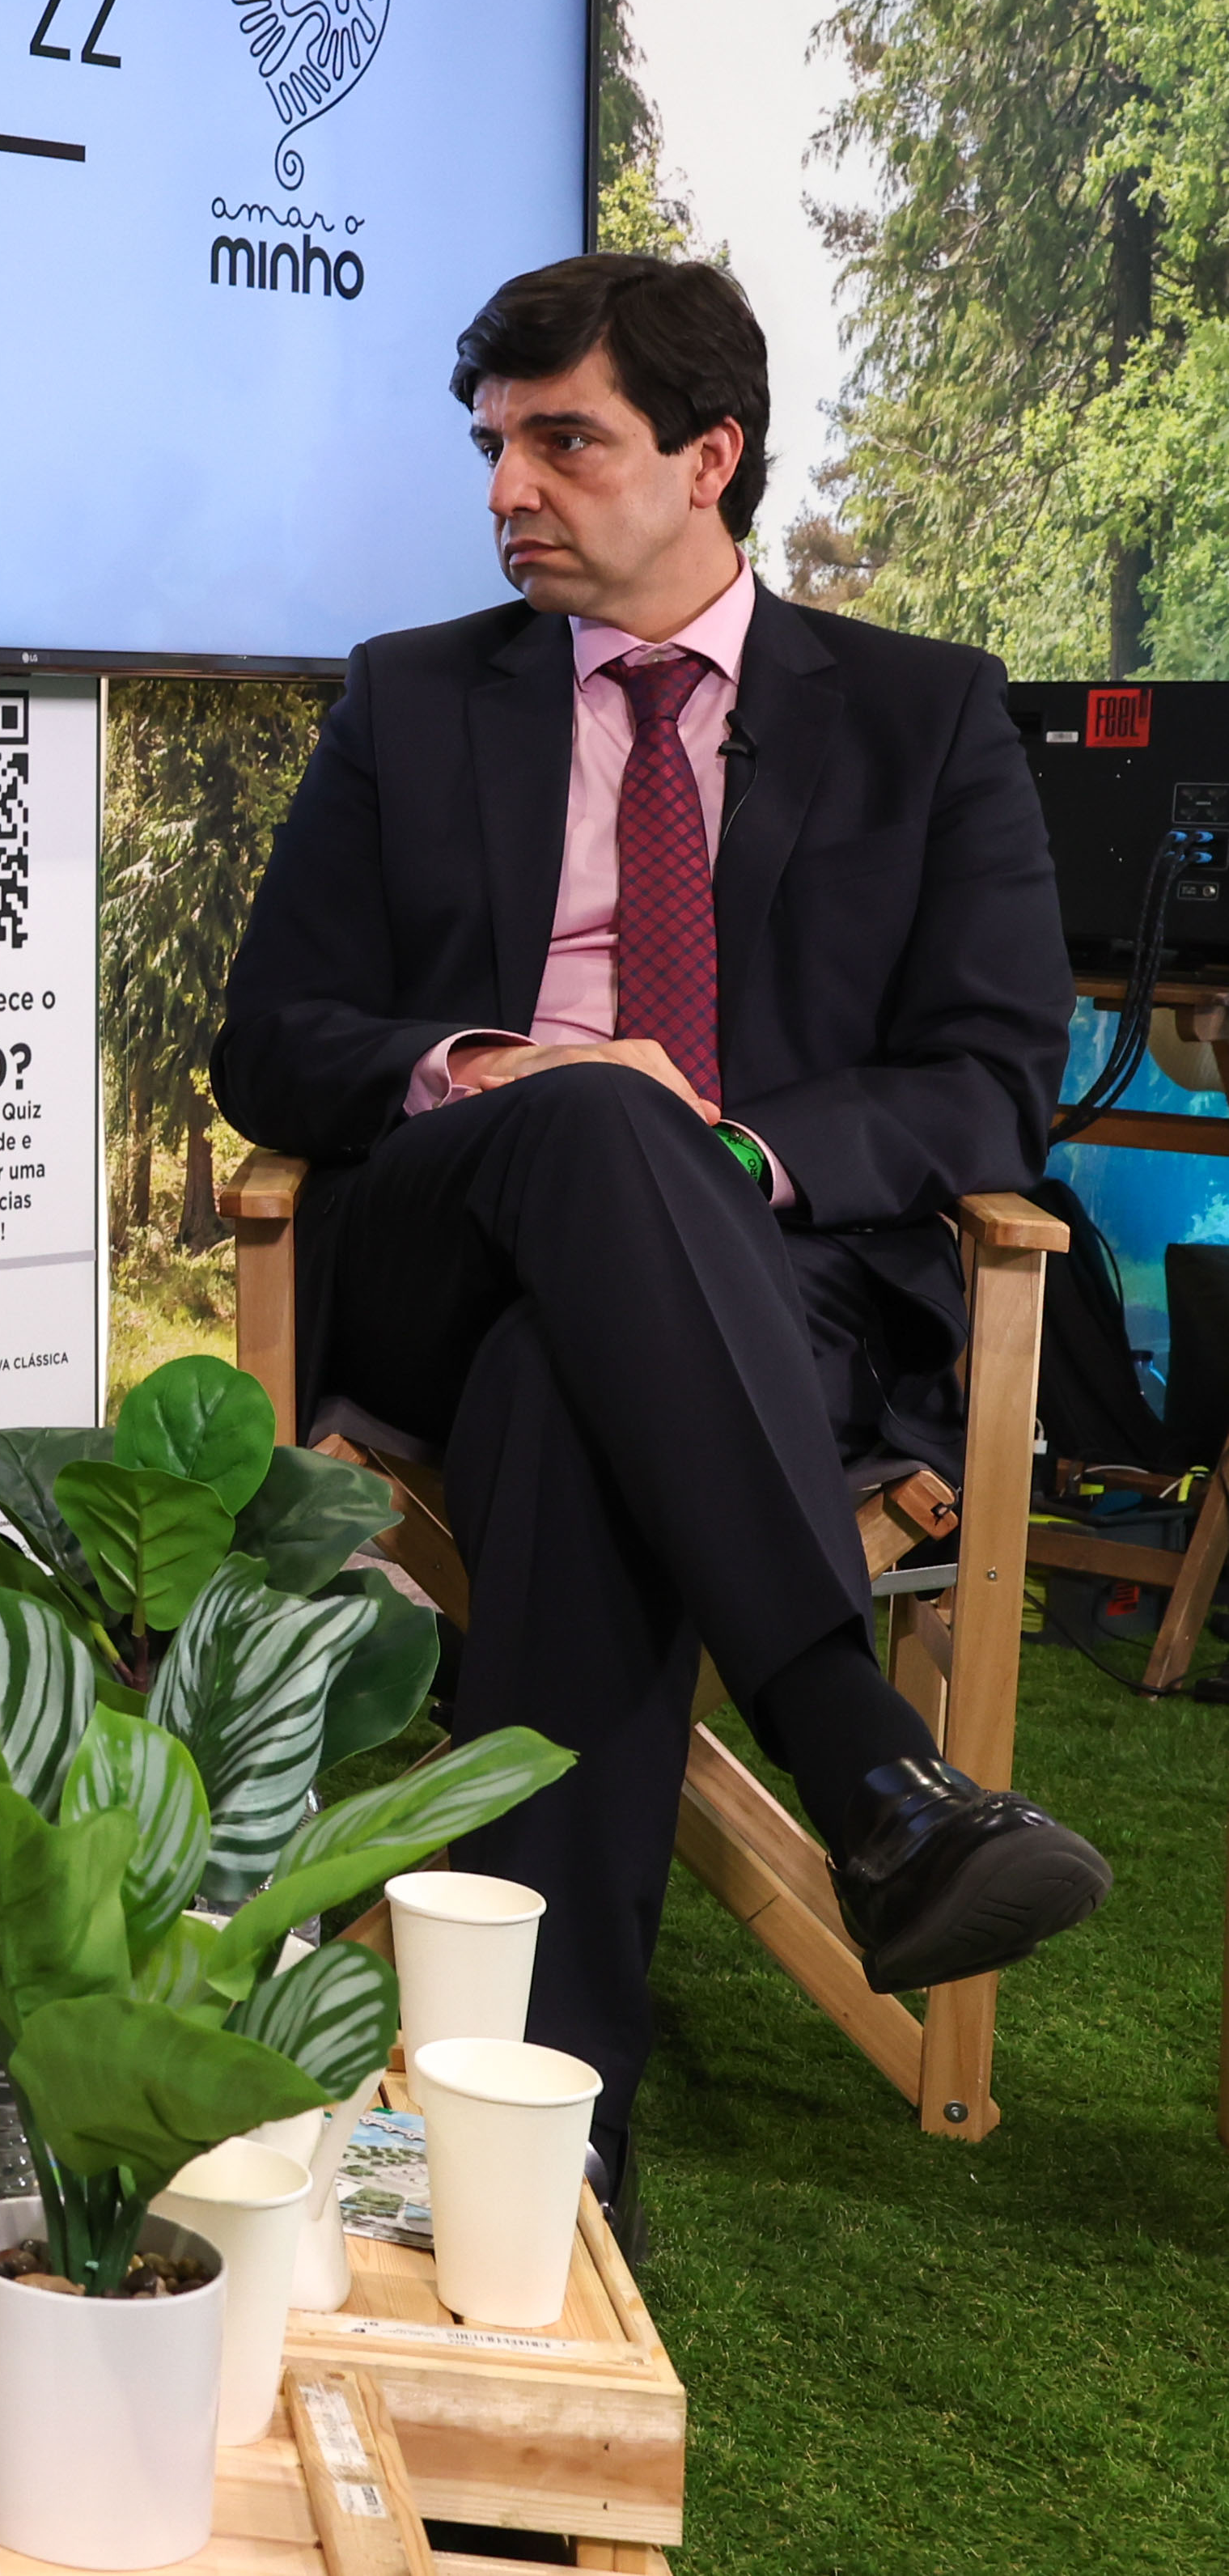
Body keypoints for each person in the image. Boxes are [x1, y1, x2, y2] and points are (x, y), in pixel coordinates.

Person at [213, 252, 1112, 2226]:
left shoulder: (922, 714)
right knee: (591, 1126)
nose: (508, 489)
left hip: (765, 1284)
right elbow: (266, 1042)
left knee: (572, 1395)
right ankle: (859, 1751)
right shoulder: (412, 699)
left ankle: (550, 2138)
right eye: (494, 447)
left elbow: (989, 1084)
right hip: (446, 1244)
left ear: (708, 456)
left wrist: (748, 1146)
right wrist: (484, 1065)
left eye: (564, 442)